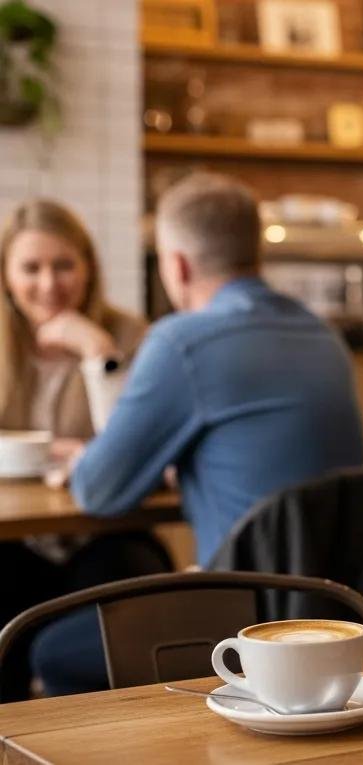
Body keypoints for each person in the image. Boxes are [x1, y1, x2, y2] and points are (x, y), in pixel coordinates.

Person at [31, 173, 363, 695]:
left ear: (178, 265)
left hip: (248, 616)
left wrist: (90, 458)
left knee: (49, 650)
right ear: (254, 252)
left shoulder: (183, 342)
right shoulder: (324, 336)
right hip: (342, 610)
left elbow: (98, 490)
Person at [0, 200, 170, 700]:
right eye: (31, 268)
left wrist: (98, 353)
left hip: (107, 533)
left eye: (64, 265)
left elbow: (137, 452)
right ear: (7, 275)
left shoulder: (130, 337)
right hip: (18, 540)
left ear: (89, 268)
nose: (49, 284)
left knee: (125, 582)